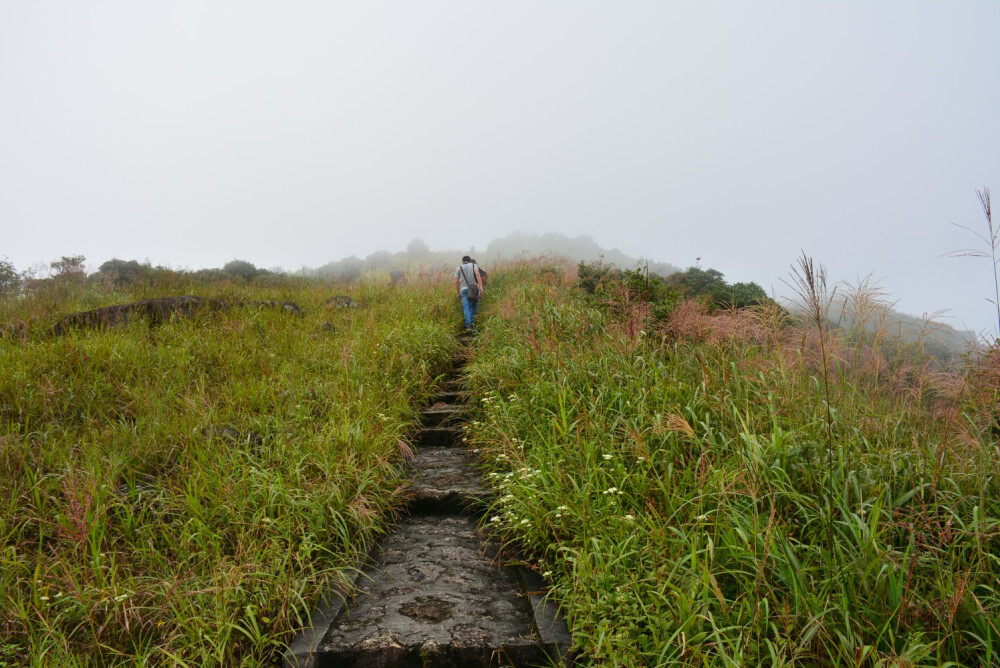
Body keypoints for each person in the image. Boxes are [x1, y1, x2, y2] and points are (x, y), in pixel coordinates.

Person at [455, 255, 484, 332]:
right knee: (474, 306)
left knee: (466, 307)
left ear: (462, 261)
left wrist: (458, 293)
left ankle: (468, 325)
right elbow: (478, 275)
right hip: (474, 289)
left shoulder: (459, 268)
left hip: (463, 290)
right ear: (469, 260)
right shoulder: (474, 265)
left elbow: (457, 282)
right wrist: (481, 287)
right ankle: (473, 324)